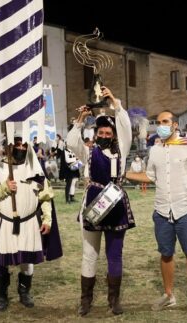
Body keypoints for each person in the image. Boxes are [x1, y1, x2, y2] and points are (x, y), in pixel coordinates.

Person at [126, 110, 187, 315]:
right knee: (165, 255)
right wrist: (124, 173)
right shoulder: (155, 150)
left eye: (165, 121)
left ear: (175, 125)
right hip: (162, 210)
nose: (161, 125)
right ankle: (168, 295)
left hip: (186, 209)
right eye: (158, 122)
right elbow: (150, 176)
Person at [0, 137, 62, 312]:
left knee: (27, 261)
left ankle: (24, 292)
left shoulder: (35, 169)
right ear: (9, 147)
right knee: (2, 262)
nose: (20, 148)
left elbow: (45, 197)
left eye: (24, 145)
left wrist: (47, 219)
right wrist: (5, 187)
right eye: (17, 145)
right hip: (6, 224)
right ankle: (2, 296)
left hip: (29, 223)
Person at [67, 86, 134, 316]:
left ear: (114, 134)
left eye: (108, 133)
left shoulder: (122, 150)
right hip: (93, 206)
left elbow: (125, 125)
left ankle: (113, 300)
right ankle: (86, 300)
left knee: (115, 254)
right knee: (89, 254)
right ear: (95, 134)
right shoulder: (89, 151)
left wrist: (115, 102)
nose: (104, 136)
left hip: (115, 206)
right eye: (101, 133)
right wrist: (80, 119)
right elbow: (70, 142)